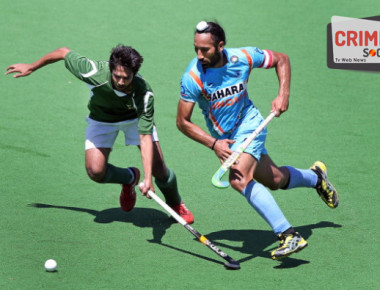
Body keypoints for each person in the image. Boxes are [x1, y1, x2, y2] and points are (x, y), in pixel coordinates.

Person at [176, 21, 338, 260]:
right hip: (225, 139)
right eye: (196, 49)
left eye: (205, 50)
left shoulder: (243, 57)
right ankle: (316, 177)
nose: (199, 55)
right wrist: (214, 143)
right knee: (275, 180)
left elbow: (281, 59)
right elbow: (182, 122)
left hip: (251, 124)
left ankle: (288, 234)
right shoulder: (193, 77)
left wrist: (283, 93)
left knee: (239, 178)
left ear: (220, 46)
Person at [6, 45, 194, 224]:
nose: (120, 81)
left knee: (159, 169)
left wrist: (148, 178)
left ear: (134, 74)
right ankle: (129, 178)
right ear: (111, 69)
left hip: (133, 120)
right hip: (102, 118)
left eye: (126, 78)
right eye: (117, 76)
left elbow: (145, 136)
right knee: (95, 172)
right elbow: (63, 52)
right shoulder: (93, 72)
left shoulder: (144, 93)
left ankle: (176, 204)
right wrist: (32, 66)